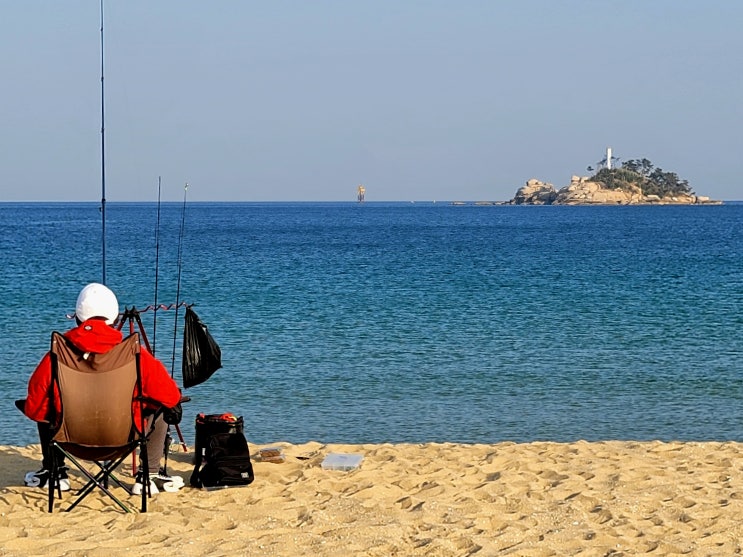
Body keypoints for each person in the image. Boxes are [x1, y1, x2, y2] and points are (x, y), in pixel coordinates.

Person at [22, 283, 184, 494]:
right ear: (115, 319)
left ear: (78, 318)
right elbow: (171, 395)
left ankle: (56, 471)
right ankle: (148, 476)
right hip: (124, 440)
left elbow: (34, 406)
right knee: (163, 403)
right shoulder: (133, 353)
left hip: (69, 441)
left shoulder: (57, 353)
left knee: (44, 404)